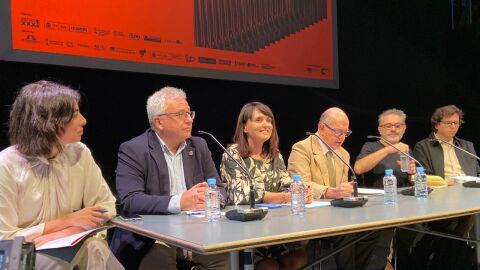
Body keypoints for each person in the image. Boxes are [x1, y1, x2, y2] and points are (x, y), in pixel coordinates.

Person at [0, 80, 123, 269]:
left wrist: (62, 233)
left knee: (95, 247)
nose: (83, 120)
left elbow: (106, 206)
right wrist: (65, 221)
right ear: (48, 123)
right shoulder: (6, 165)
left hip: (68, 244)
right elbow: (4, 238)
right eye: (74, 114)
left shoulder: (79, 153)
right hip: (20, 256)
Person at [110, 86, 229, 270]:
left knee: (225, 257)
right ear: (159, 122)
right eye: (181, 114)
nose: (189, 120)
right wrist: (180, 202)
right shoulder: (134, 149)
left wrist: (210, 197)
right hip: (152, 237)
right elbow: (130, 200)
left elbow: (220, 190)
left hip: (197, 232)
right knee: (160, 257)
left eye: (190, 113)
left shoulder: (199, 146)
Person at [288, 107, 392, 270]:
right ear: (322, 127)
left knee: (372, 229)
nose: (342, 137)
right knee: (347, 232)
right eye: (338, 132)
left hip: (338, 213)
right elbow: (300, 184)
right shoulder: (302, 148)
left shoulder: (343, 154)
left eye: (345, 133)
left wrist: (346, 192)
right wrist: (330, 191)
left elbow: (341, 190)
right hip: (311, 214)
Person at [220, 102, 312, 270]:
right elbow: (242, 195)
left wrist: (301, 192)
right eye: (259, 120)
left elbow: (286, 183)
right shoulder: (233, 154)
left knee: (298, 258)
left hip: (274, 226)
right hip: (245, 230)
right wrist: (285, 197)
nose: (266, 125)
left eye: (269, 120)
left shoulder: (274, 155)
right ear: (245, 127)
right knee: (268, 266)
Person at [411, 105, 479, 269]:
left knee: (462, 226)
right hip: (442, 198)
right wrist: (445, 182)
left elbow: (476, 172)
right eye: (449, 123)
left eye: (457, 123)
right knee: (455, 230)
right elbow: (423, 176)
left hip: (470, 195)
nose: (454, 127)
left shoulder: (467, 146)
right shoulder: (424, 146)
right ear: (436, 124)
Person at [354, 108, 415, 188]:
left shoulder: (406, 149)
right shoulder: (370, 146)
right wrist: (389, 149)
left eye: (397, 126)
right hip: (378, 198)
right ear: (379, 129)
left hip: (404, 197)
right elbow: (358, 169)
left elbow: (412, 182)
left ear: (404, 128)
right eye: (388, 126)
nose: (393, 129)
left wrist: (412, 174)